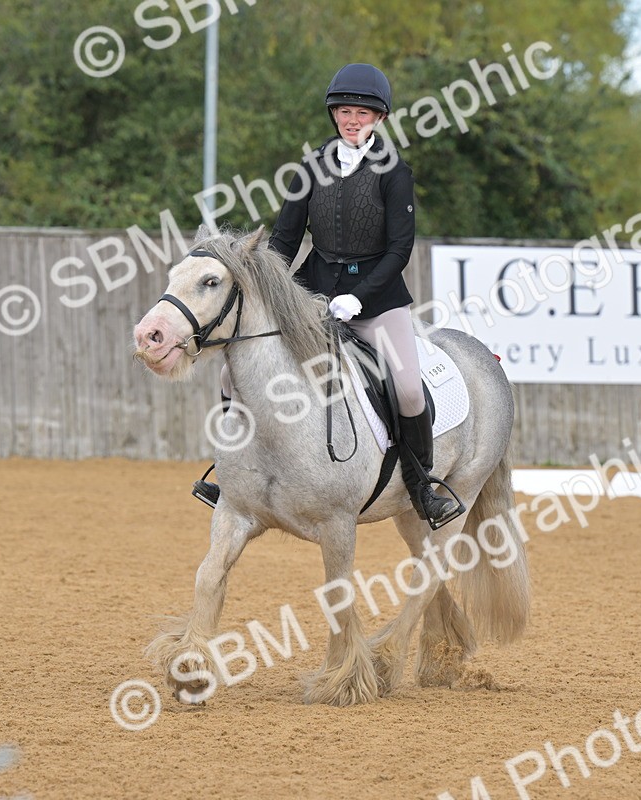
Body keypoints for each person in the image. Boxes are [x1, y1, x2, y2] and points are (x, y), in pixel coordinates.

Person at [194, 63, 463, 529]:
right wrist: (263, 285)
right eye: (344, 111)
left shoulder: (394, 172)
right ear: (334, 115)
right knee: (229, 378)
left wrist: (359, 297)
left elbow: (400, 248)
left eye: (362, 112)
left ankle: (422, 486)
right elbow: (283, 240)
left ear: (379, 117)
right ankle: (234, 473)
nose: (352, 119)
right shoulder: (310, 167)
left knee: (407, 389)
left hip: (377, 299)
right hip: (311, 293)